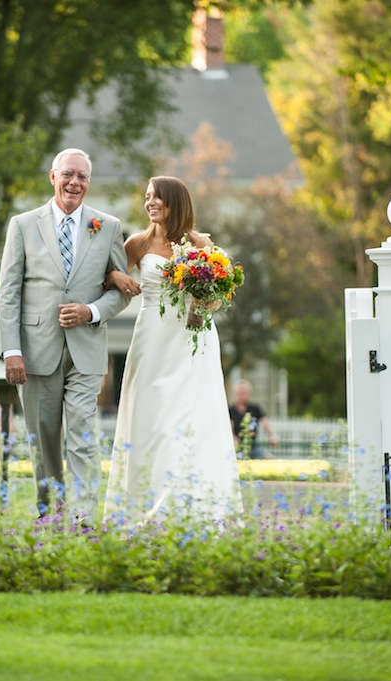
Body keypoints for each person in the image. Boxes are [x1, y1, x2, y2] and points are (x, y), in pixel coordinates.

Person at [0, 148, 131, 522]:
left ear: (89, 182)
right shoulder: (23, 225)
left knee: (83, 433)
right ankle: (50, 516)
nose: (75, 182)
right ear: (53, 177)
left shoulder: (108, 226)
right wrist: (11, 351)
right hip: (36, 351)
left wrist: (92, 311)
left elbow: (119, 290)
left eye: (83, 177)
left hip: (86, 350)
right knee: (44, 441)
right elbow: (9, 293)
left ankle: (85, 518)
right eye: (68, 174)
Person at [103, 176, 243, 526]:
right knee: (150, 416)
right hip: (151, 337)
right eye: (148, 198)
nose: (150, 203)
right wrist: (116, 277)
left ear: (175, 202)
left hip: (193, 339)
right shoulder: (136, 243)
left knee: (194, 415)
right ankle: (142, 507)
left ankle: (197, 505)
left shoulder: (201, 243)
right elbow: (105, 276)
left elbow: (221, 292)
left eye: (158, 198)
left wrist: (203, 306)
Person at [229, 379, 278, 459]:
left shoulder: (255, 409)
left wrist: (272, 435)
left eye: (245, 393)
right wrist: (233, 438)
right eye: (240, 393)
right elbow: (229, 428)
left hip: (253, 446)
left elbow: (265, 424)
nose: (242, 396)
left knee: (269, 459)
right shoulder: (231, 410)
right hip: (237, 446)